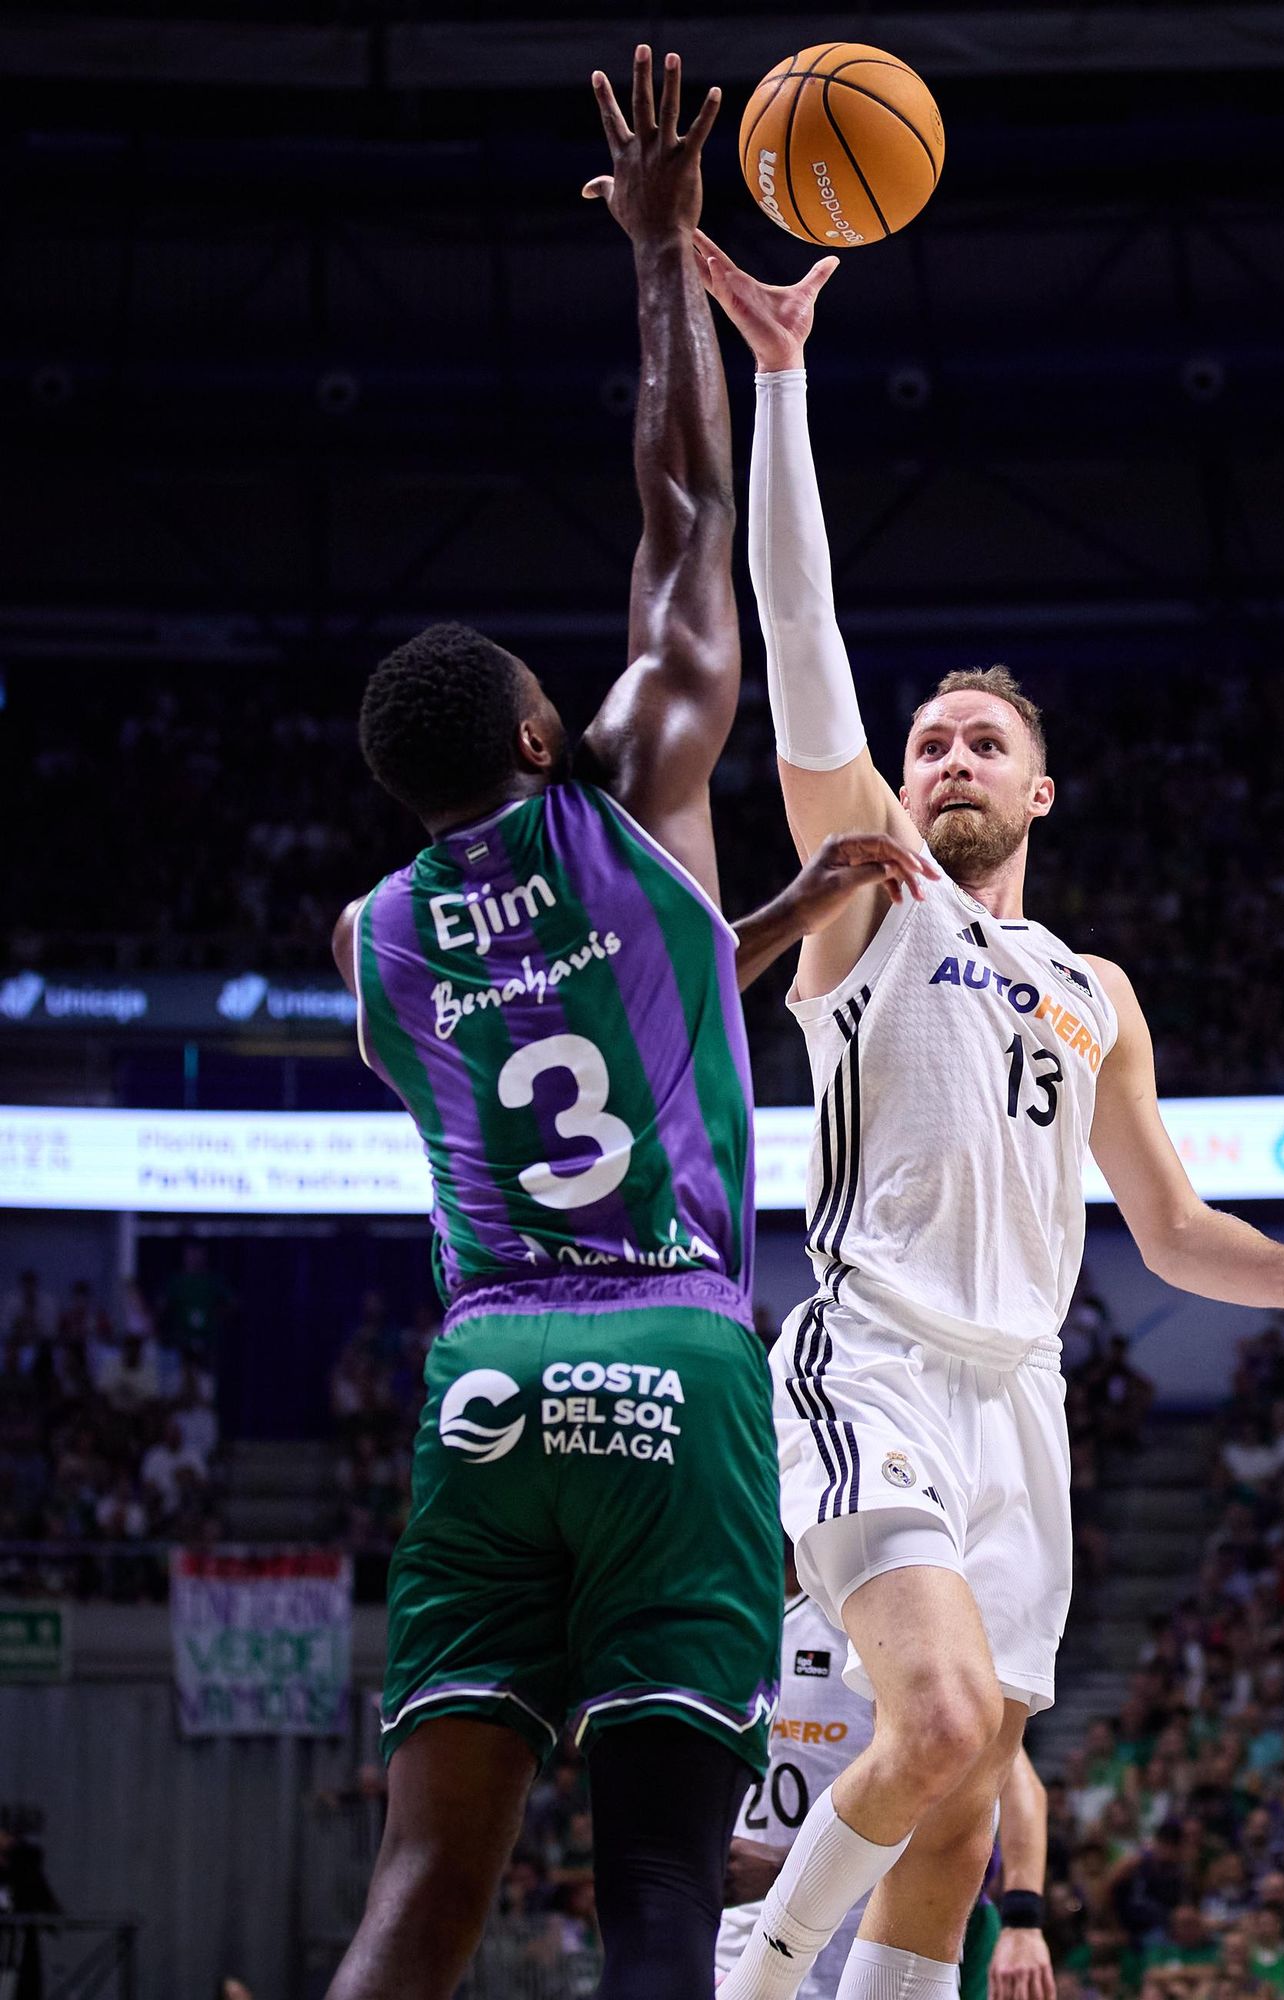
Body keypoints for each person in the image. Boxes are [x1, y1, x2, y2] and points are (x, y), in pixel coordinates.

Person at [698, 231, 1284, 2000]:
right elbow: (801, 634)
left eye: (977, 745)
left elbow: (1170, 1231)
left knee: (953, 1817)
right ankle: (750, 1965)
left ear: (1039, 785)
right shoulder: (869, 897)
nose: (943, 759)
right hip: (872, 1357)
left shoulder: (1095, 986)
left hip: (1025, 1398)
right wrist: (780, 384)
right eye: (928, 738)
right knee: (933, 1713)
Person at [323, 50, 931, 2000]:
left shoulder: (371, 943)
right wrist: (666, 261)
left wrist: (768, 918)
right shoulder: (627, 789)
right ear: (532, 731)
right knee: (667, 1890)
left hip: (485, 1380)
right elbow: (678, 518)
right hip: (675, 1345)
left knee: (419, 1895)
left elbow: (576, 1024)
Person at [717, 1550, 1052, 2000]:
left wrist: (1023, 1920)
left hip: (876, 1939)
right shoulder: (750, 1634)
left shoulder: (914, 1643)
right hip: (740, 1933)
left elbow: (1016, 1786)